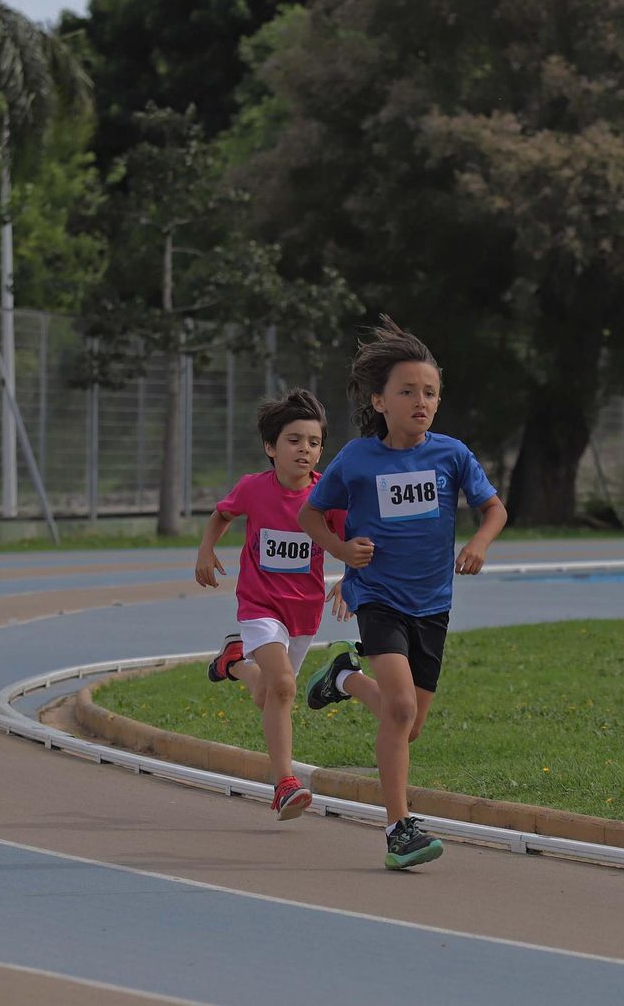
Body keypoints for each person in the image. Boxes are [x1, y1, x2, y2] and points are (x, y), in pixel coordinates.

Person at [297, 316, 507, 869]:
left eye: (430, 392)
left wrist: (482, 542)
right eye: (408, 391)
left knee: (407, 724)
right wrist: (342, 553)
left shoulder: (452, 455)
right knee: (401, 706)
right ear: (380, 401)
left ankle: (342, 676)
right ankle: (398, 829)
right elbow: (310, 513)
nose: (421, 401)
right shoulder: (358, 459)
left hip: (433, 604)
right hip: (379, 598)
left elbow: (494, 508)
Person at [195, 388, 348, 821]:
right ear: (270, 447)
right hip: (260, 605)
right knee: (282, 686)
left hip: (304, 612)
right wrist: (207, 550)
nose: (305, 450)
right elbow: (222, 514)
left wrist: (352, 577)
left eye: (314, 442)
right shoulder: (253, 489)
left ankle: (234, 662)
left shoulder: (327, 499)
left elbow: (350, 542)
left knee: (269, 693)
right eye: (294, 440)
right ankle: (284, 783)